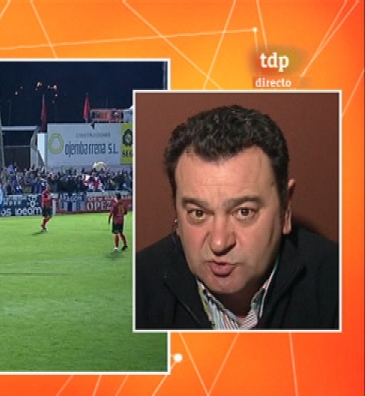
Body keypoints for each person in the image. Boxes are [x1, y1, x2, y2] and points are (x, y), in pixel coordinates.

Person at [135, 105, 339, 330]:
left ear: (285, 209)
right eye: (198, 213)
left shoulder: (345, 282)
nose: (219, 243)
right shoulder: (136, 288)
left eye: (244, 212)